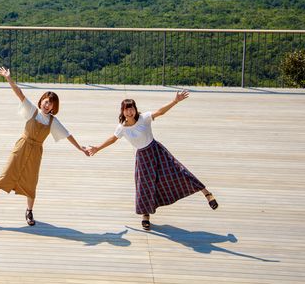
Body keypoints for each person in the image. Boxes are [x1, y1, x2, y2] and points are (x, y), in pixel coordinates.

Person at [88, 91, 218, 230]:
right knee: (144, 186)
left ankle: (207, 194)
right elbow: (113, 139)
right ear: (123, 111)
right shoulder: (122, 127)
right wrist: (98, 148)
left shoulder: (144, 118)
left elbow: (160, 112)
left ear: (135, 109)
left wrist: (175, 101)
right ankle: (146, 216)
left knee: (179, 171)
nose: (129, 112)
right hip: (143, 158)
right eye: (126, 109)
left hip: (156, 151)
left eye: (131, 108)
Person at [0, 66, 89, 226]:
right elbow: (19, 94)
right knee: (6, 174)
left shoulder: (53, 121)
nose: (47, 105)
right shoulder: (33, 111)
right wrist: (8, 78)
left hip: (36, 151)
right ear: (42, 101)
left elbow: (68, 135)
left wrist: (80, 148)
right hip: (22, 146)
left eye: (50, 104)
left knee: (31, 182)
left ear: (53, 107)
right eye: (46, 102)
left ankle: (29, 212)